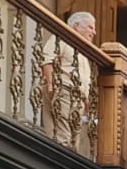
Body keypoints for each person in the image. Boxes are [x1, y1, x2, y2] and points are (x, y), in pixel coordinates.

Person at [39, 11, 96, 153]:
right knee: (62, 136)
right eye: (90, 27)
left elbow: (85, 79)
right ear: (77, 26)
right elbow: (47, 60)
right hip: (64, 90)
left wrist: (87, 102)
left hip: (78, 99)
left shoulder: (82, 50)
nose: (94, 32)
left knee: (73, 141)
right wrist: (51, 83)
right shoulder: (61, 38)